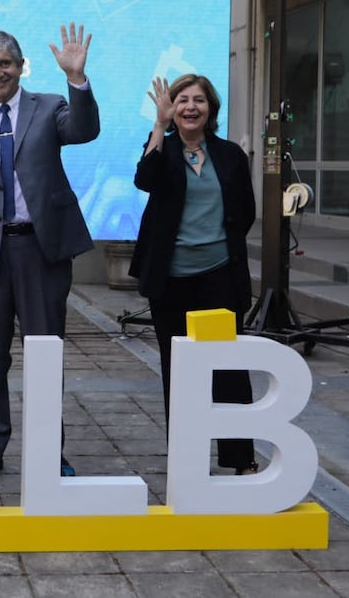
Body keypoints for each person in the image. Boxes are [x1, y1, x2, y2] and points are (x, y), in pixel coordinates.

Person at [0, 24, 99, 477]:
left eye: (4, 64)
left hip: (41, 252)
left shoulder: (49, 108)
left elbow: (85, 130)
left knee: (46, 353)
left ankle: (49, 449)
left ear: (20, 65)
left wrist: (78, 79)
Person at [129, 73, 258, 475]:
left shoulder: (230, 154)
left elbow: (245, 212)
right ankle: (187, 461)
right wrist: (158, 125)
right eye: (181, 99)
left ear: (210, 109)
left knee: (229, 371)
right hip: (170, 280)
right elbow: (144, 179)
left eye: (198, 100)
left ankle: (240, 458)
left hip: (220, 274)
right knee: (179, 371)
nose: (190, 107)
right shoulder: (162, 149)